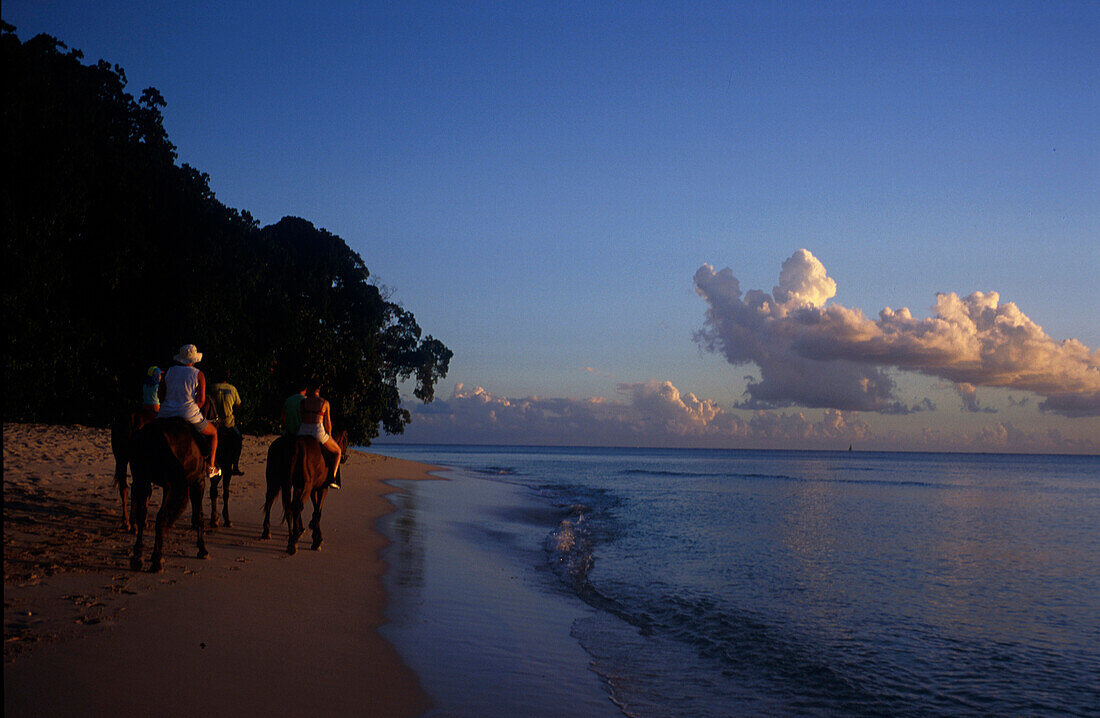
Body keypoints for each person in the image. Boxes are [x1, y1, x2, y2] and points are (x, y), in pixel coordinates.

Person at [158, 344, 220, 478]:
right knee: (214, 433)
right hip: (188, 413)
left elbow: (161, 394)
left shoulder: (169, 371)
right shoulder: (199, 374)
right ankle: (211, 467)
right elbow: (201, 401)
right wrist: (191, 408)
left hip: (166, 413)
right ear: (194, 359)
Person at [297, 380, 341, 489]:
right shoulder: (324, 403)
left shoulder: (303, 402)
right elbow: (328, 423)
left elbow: (301, 418)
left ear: (311, 389)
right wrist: (329, 435)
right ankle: (332, 478)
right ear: (319, 390)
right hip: (317, 431)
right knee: (338, 452)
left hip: (302, 430)